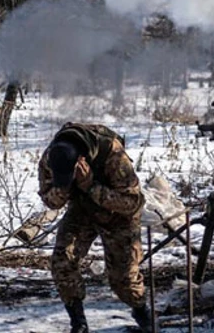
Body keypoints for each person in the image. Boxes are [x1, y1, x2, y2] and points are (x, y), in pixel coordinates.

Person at [38, 122, 155, 333]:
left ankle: (142, 312)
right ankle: (78, 321)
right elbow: (50, 200)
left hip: (118, 215)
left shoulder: (112, 154)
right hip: (82, 208)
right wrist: (62, 190)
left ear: (82, 160)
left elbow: (131, 203)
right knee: (63, 260)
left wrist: (91, 186)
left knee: (124, 279)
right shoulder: (52, 158)